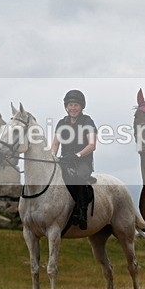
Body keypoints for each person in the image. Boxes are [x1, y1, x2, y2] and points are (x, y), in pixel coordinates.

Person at [51, 90, 97, 230]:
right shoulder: (61, 123)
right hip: (65, 161)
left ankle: (82, 213)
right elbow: (55, 144)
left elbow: (92, 145)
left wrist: (77, 155)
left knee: (77, 176)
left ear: (81, 106)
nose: (73, 108)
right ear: (66, 106)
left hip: (83, 162)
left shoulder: (87, 121)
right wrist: (52, 157)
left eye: (76, 105)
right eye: (70, 105)